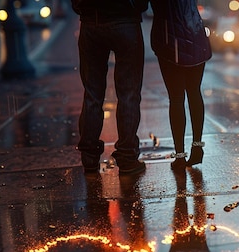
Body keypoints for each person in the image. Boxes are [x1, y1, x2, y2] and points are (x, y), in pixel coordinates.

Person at [71, 0, 149, 175]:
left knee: (92, 94)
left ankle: (89, 157)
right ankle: (128, 158)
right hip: (125, 21)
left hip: (91, 22)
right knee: (128, 94)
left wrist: (81, 7)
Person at [149, 0, 212, 170]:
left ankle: (179, 156)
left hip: (169, 40)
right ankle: (197, 147)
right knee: (194, 92)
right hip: (195, 34)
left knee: (176, 98)